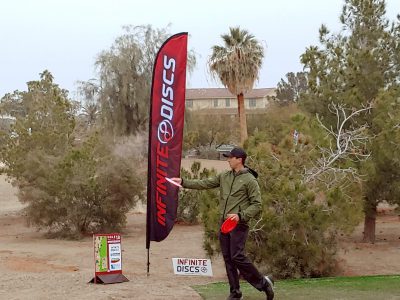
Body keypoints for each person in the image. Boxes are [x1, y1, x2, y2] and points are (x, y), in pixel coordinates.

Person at [170, 147, 274, 300]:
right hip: (224, 223)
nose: (228, 160)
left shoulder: (250, 180)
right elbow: (205, 183)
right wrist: (184, 182)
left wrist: (240, 216)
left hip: (239, 224)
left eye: (231, 157)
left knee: (237, 256)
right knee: (228, 258)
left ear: (239, 160)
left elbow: (257, 205)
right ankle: (235, 292)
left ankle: (263, 283)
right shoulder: (225, 176)